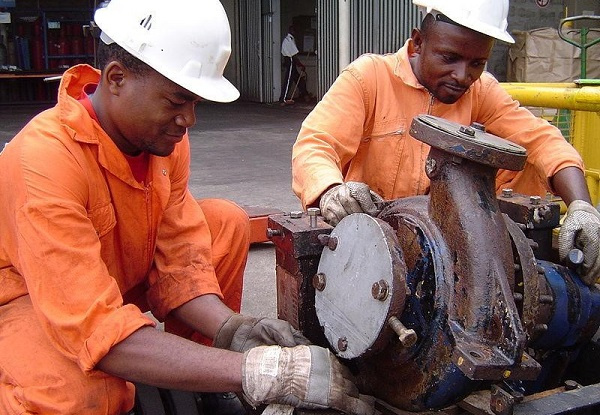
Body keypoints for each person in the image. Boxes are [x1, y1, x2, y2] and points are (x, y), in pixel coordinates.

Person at [0, 0, 376, 414]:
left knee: (225, 222)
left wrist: (232, 329)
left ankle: (200, 379)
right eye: (177, 101)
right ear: (117, 78)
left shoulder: (162, 144)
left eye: (195, 103)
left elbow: (181, 262)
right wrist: (258, 371)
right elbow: (92, 325)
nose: (189, 120)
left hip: (111, 277)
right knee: (78, 395)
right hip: (34, 297)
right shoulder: (44, 160)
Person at [291, 0, 600, 287]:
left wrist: (582, 207)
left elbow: (542, 140)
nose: (463, 75)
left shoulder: (480, 90)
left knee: (527, 164)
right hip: (369, 243)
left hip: (446, 250)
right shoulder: (368, 78)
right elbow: (315, 144)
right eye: (449, 58)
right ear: (417, 44)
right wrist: (332, 190)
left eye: (477, 63)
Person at [279, 25, 311, 104]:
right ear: (292, 31)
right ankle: (282, 99)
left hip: (290, 60)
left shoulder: (290, 39)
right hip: (290, 60)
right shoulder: (289, 40)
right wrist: (300, 64)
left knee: (298, 79)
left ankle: (305, 95)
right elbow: (294, 55)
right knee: (288, 80)